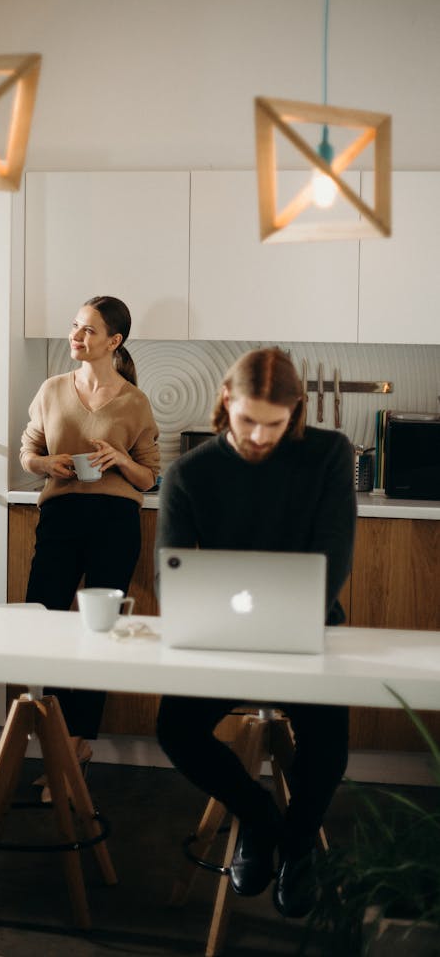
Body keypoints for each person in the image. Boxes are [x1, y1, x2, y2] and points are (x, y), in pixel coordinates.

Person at [155, 347, 355, 918]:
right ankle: (265, 822)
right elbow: (170, 574)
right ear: (226, 401)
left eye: (276, 423)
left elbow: (334, 556)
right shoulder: (190, 471)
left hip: (311, 627)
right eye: (248, 421)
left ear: (297, 411)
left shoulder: (328, 455)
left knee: (329, 741)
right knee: (175, 727)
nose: (261, 436)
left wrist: (294, 620)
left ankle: (296, 846)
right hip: (220, 635)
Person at [20, 295, 160, 779]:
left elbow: (148, 478)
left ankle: (75, 748)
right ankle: (58, 742)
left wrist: (119, 459)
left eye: (88, 331)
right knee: (46, 623)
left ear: (114, 342)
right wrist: (45, 465)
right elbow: (28, 452)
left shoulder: (134, 400)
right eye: (75, 326)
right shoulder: (52, 389)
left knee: (99, 634)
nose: (76, 337)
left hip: (115, 521)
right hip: (60, 517)